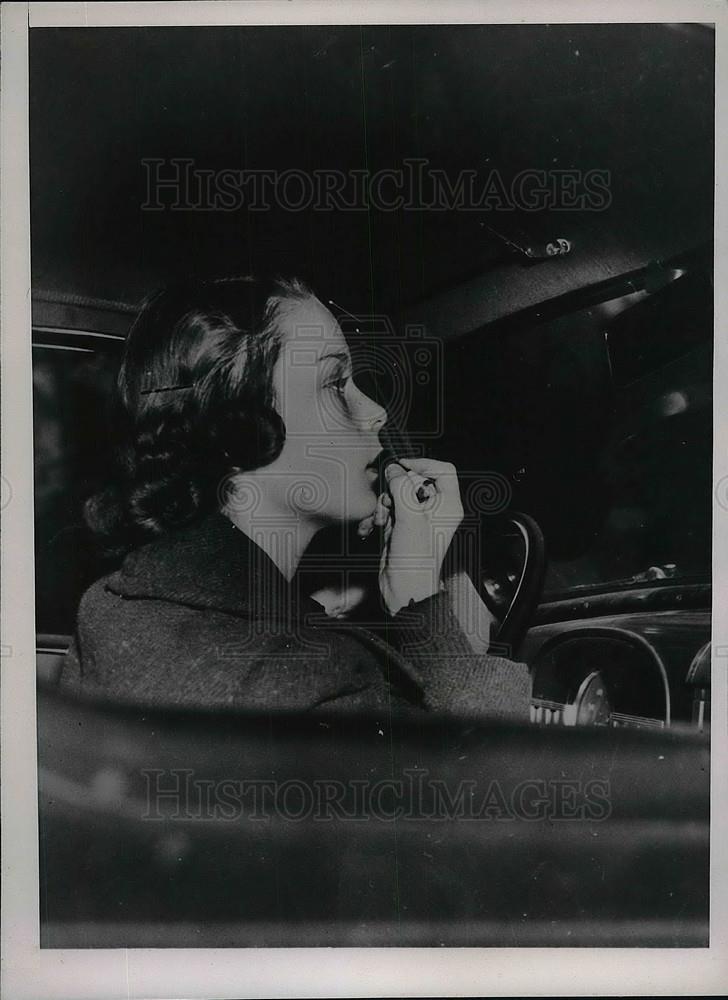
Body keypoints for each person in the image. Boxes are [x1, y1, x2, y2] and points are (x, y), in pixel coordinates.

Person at [59, 275, 531, 719]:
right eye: (335, 384)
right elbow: (494, 793)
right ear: (237, 428)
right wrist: (418, 592)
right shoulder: (317, 677)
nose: (377, 413)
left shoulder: (109, 609)